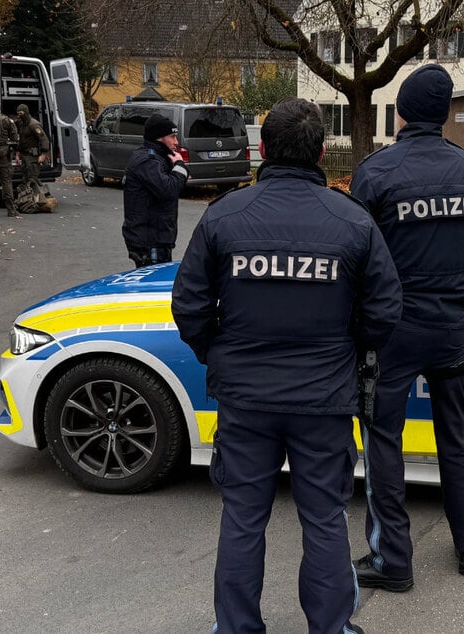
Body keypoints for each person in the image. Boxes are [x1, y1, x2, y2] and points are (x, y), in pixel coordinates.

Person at [172, 98, 401, 634]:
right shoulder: (352, 220)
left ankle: (235, 629)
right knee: (324, 519)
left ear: (262, 149)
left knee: (243, 520)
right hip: (323, 399)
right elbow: (385, 311)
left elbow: (189, 305)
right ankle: (331, 628)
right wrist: (347, 351)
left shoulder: (226, 214)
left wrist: (221, 352)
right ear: (322, 151)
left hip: (246, 399)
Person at [350, 64, 464, 590]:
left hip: (391, 332)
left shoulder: (376, 172)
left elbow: (356, 258)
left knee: (382, 440)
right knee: (456, 436)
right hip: (449, 328)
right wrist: (454, 291)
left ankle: (392, 560)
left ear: (404, 112)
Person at [121, 114, 188, 267]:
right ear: (159, 138)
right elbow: (169, 189)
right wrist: (180, 166)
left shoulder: (157, 158)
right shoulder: (147, 161)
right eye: (172, 137)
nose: (176, 142)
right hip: (150, 242)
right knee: (152, 285)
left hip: (157, 239)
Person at [15, 103, 51, 201]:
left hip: (33, 157)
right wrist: (17, 154)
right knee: (26, 178)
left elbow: (44, 139)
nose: (19, 115)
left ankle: (44, 198)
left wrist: (43, 154)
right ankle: (30, 200)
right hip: (25, 156)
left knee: (33, 179)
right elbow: (21, 140)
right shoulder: (22, 124)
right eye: (18, 113)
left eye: (21, 113)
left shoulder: (34, 124)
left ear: (26, 112)